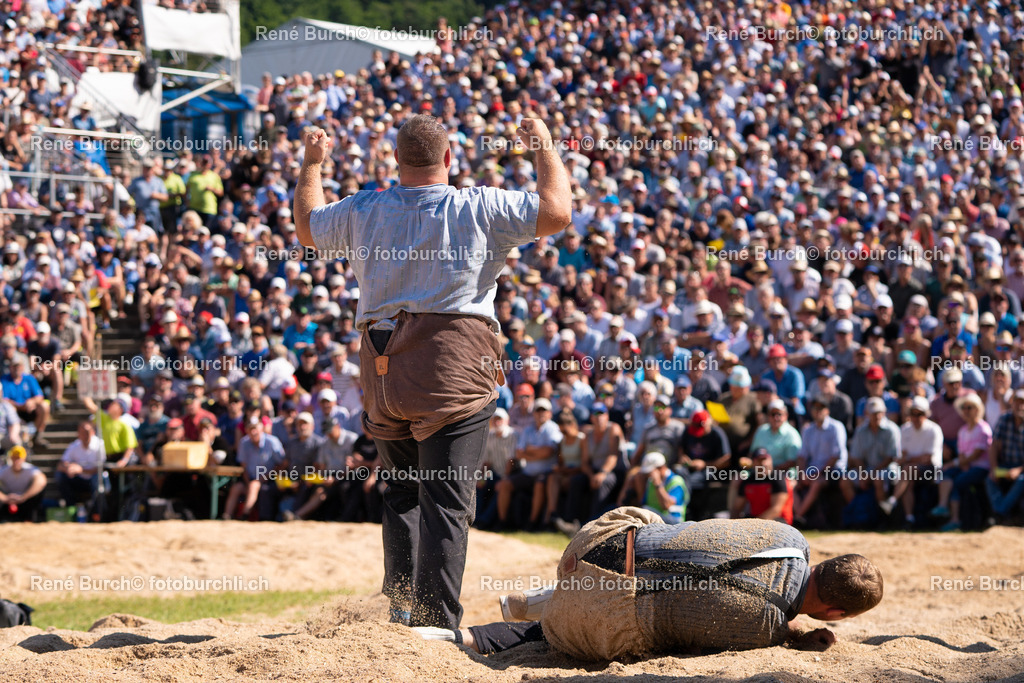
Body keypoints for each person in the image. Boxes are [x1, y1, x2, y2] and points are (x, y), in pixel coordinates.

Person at [294, 114, 571, 629]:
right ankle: (435, 625)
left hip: (380, 366)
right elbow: (556, 213)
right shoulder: (479, 204)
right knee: (445, 496)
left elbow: (307, 227)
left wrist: (313, 164)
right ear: (449, 159)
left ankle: (401, 611)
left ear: (396, 161)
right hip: (450, 363)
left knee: (402, 491)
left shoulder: (365, 207)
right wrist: (545, 148)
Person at [415, 508, 883, 660]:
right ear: (836, 614)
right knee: (636, 635)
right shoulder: (764, 631)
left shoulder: (789, 535)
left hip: (597, 538)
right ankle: (475, 634)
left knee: (661, 527)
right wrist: (798, 641)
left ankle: (546, 597)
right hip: (600, 608)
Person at [931, 393, 991, 531]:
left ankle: (955, 519)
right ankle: (943, 506)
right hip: (967, 467)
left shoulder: (983, 428)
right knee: (945, 474)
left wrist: (958, 464)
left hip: (981, 468)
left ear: (977, 409)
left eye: (969, 407)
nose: (966, 411)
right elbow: (963, 454)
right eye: (964, 408)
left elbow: (976, 455)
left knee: (958, 481)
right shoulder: (963, 430)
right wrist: (960, 464)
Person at [729, 447, 794, 524]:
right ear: (753, 463)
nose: (764, 464)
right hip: (756, 519)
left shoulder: (778, 479)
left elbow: (776, 510)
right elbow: (736, 508)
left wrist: (755, 524)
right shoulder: (748, 481)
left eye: (766, 460)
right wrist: (732, 524)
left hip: (779, 521)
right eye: (760, 460)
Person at [986, 389, 1024, 521]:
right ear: (1012, 404)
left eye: (1023, 403)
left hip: (1021, 469)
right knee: (990, 479)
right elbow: (994, 446)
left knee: (1021, 480)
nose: (1020, 406)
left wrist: (1018, 470)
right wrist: (994, 468)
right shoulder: (1004, 418)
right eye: (1017, 402)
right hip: (1005, 467)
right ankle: (1002, 513)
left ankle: (999, 513)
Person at [55, 420, 105, 506]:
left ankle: (96, 513)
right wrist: (68, 468)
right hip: (79, 480)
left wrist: (81, 470)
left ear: (93, 432)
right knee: (60, 476)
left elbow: (101, 468)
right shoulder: (74, 445)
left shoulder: (99, 445)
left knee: (96, 479)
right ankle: (71, 507)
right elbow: (60, 465)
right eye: (82, 432)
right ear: (78, 434)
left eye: (87, 432)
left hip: (94, 480)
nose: (85, 435)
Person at [0, 445, 46, 522]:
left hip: (26, 501)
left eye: (18, 458)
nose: (16, 461)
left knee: (38, 493)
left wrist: (24, 496)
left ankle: (30, 519)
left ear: (24, 459)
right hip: (7, 502)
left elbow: (41, 481)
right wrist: (5, 498)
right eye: (14, 457)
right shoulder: (4, 470)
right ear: (11, 458)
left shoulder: (30, 469)